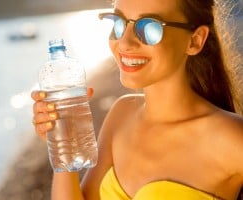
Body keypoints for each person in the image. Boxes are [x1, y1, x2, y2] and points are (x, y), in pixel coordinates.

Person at [31, 0, 243, 199]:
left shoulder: (231, 138)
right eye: (119, 23)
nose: (125, 43)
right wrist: (64, 146)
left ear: (195, 40)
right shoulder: (122, 113)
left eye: (149, 28)